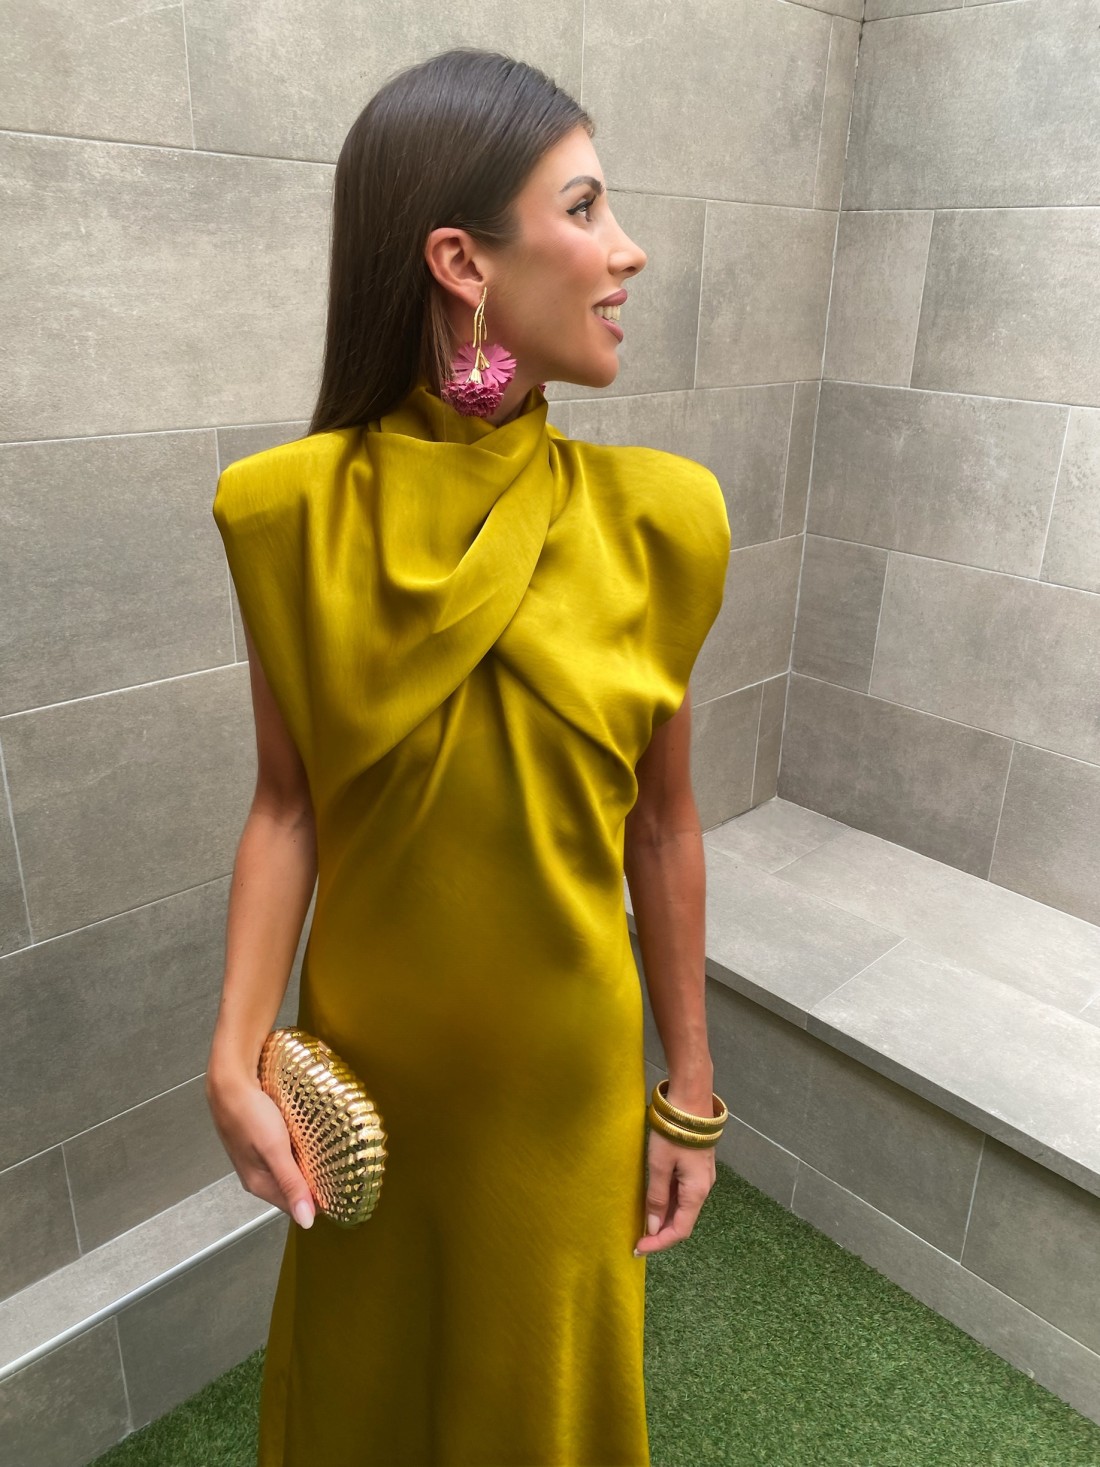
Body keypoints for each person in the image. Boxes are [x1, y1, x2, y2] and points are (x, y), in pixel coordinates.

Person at [204, 46, 732, 1467]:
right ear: (462, 261)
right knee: (364, 1407)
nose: (628, 250)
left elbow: (666, 828)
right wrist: (233, 1055)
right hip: (365, 1095)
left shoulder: (662, 523)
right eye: (586, 207)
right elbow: (287, 807)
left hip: (564, 1091)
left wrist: (687, 1089)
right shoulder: (284, 516)